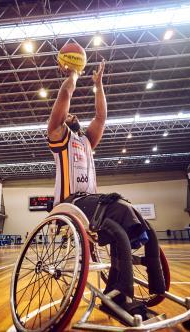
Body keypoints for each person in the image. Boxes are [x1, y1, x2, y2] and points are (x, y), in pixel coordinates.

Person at [47, 61, 166, 320]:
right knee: (121, 210)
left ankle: (151, 290)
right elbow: (65, 95)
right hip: (72, 204)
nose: (71, 115)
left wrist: (98, 85)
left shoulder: (87, 141)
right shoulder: (58, 136)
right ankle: (122, 296)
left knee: (137, 219)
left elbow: (101, 117)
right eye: (68, 114)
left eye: (73, 114)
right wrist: (74, 73)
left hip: (95, 204)